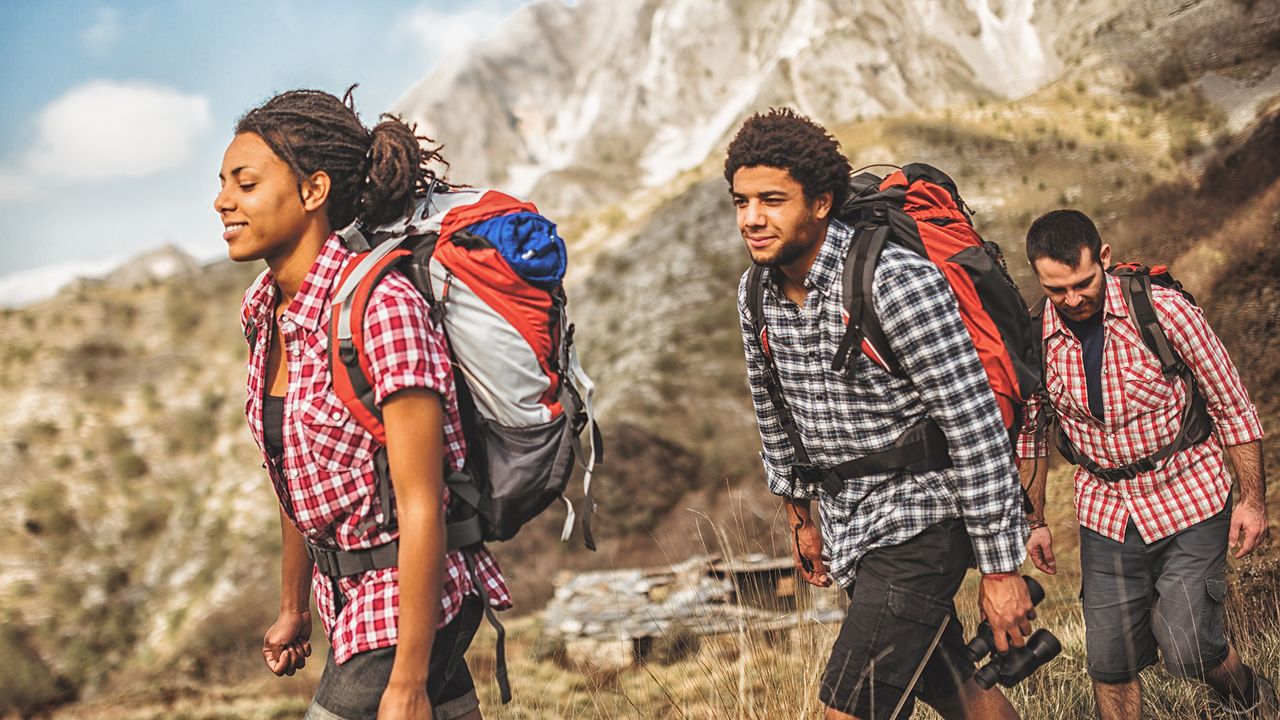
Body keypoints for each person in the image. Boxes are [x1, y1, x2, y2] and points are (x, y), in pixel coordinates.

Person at [215, 88, 510, 720]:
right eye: (222, 185)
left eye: (245, 183)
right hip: (343, 597)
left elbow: (423, 500)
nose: (223, 201)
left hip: (408, 598)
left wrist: (406, 683)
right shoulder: (264, 312)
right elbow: (294, 471)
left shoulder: (380, 308)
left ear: (314, 190)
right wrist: (294, 606)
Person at [729, 108, 1033, 720]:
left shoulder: (894, 281)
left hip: (922, 518)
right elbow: (775, 411)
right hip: (851, 524)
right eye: (741, 202)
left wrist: (1002, 571)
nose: (752, 219)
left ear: (819, 203)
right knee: (957, 689)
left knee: (848, 708)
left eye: (771, 200)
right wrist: (800, 517)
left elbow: (973, 423)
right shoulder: (755, 292)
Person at [1016, 209, 1274, 719]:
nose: (1072, 300)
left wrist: (1253, 501)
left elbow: (1232, 405)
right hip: (1106, 512)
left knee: (1187, 643)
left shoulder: (1164, 312)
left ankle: (1254, 698)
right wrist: (1036, 520)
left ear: (1104, 259)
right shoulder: (1035, 338)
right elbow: (1032, 436)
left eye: (1083, 283)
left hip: (1189, 494)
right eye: (1056, 290)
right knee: (1110, 661)